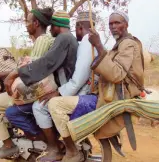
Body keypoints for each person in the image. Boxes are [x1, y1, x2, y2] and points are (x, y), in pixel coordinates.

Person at [48, 10, 145, 162]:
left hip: (112, 99)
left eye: (117, 23)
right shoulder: (119, 44)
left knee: (54, 104)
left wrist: (99, 45)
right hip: (105, 95)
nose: (113, 27)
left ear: (126, 24)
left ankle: (72, 151)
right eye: (110, 24)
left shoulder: (128, 44)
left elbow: (117, 74)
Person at [6, 11, 99, 162]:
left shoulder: (64, 38)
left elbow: (47, 63)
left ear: (57, 26)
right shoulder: (72, 40)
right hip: (69, 87)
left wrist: (15, 74)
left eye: (52, 26)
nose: (50, 29)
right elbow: (48, 61)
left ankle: (54, 147)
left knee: (38, 106)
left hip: (70, 89)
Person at [0, 7, 54, 159]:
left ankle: (9, 146)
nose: (25, 24)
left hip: (34, 92)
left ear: (36, 23)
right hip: (41, 89)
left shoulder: (42, 40)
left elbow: (33, 70)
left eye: (27, 21)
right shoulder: (45, 40)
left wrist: (4, 75)